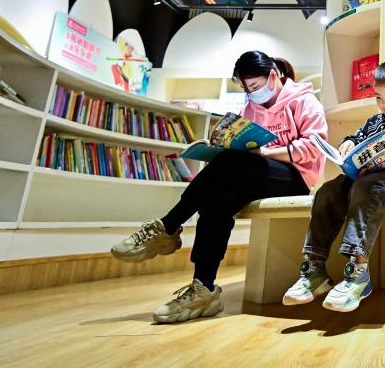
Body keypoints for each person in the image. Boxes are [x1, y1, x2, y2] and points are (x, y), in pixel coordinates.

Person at [110, 51, 327, 323]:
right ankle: (204, 287)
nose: (252, 94)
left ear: (273, 76)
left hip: (295, 178)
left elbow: (315, 146)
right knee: (217, 201)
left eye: (256, 86)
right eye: (247, 89)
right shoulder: (250, 107)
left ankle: (169, 225)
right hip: (254, 175)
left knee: (230, 162)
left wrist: (265, 153)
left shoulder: (304, 101)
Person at [282, 61, 385, 313]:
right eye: (378, 97)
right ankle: (314, 268)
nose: (383, 103)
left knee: (368, 186)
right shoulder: (373, 122)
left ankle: (357, 272)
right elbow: (356, 139)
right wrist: (347, 143)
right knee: (329, 190)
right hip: (367, 177)